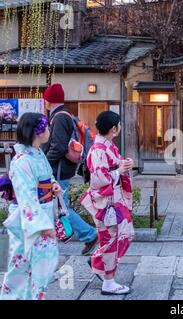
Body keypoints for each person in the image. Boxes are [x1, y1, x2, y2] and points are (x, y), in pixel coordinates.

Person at [0, 113, 61, 300]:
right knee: (21, 262)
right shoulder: (22, 160)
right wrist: (42, 225)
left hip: (40, 213)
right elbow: (27, 196)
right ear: (38, 132)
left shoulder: (37, 154)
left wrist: (52, 184)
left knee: (43, 262)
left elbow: (45, 177)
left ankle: (34, 295)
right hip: (28, 218)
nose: (49, 131)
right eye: (47, 128)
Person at [80, 111, 134, 295]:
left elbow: (114, 166)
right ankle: (108, 282)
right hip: (106, 201)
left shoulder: (107, 146)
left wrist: (124, 165)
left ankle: (98, 262)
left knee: (125, 234)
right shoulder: (98, 150)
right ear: (114, 128)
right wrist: (118, 170)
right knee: (111, 239)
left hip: (113, 199)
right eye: (118, 124)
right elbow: (98, 179)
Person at [41, 83, 98, 255]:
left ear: (48, 100)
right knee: (59, 206)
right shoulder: (65, 114)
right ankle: (87, 235)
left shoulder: (59, 118)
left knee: (61, 206)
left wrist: (43, 163)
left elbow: (57, 147)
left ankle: (90, 235)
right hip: (64, 168)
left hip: (58, 169)